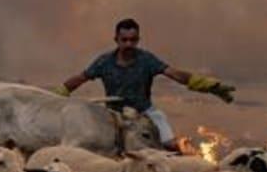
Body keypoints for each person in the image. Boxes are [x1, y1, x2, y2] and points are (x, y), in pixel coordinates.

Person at [55, 17, 235, 152]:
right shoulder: (104, 62)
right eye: (124, 40)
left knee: (167, 145)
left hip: (145, 113)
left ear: (138, 39)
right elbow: (81, 77)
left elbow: (173, 74)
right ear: (116, 39)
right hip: (113, 116)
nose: (128, 44)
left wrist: (208, 85)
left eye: (133, 40)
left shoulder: (146, 60)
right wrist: (58, 94)